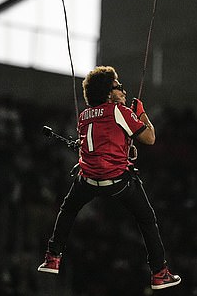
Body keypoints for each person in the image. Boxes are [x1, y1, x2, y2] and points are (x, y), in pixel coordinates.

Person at [37, 66, 181, 290]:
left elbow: (100, 142)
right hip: (118, 182)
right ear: (107, 93)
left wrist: (125, 148)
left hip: (88, 180)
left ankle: (52, 258)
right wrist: (141, 113)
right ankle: (159, 273)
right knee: (146, 219)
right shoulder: (119, 111)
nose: (123, 90)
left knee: (67, 210)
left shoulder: (84, 116)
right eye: (118, 86)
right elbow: (150, 138)